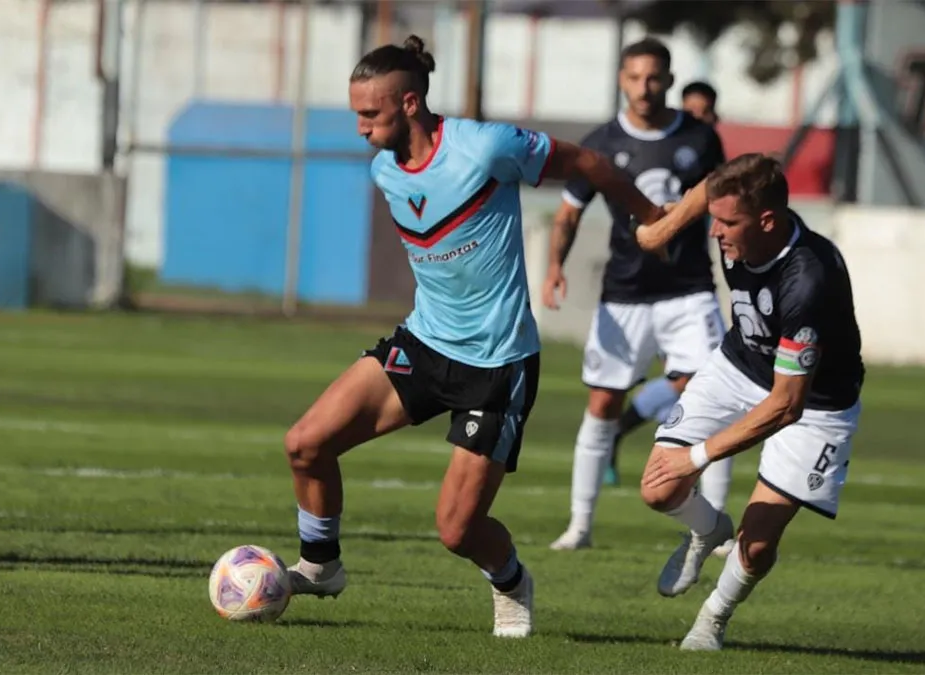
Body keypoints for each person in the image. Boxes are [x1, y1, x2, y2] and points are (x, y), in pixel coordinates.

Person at [281, 35, 666, 639]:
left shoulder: (486, 147)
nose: (359, 129)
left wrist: (651, 215)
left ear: (410, 104)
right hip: (425, 343)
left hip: (497, 363)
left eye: (369, 114)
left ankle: (511, 581)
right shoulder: (385, 167)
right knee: (305, 443)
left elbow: (588, 163)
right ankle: (321, 564)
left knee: (457, 530)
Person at [634, 153, 865, 650]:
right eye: (714, 218)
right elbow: (710, 189)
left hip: (816, 403)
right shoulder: (737, 215)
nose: (715, 232)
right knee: (657, 490)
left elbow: (787, 405)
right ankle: (706, 530)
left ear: (767, 220)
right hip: (739, 366)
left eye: (728, 222)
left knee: (757, 545)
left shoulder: (809, 280)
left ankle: (710, 622)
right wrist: (665, 228)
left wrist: (694, 459)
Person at [542, 37, 732, 554]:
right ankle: (579, 526)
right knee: (603, 403)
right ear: (621, 81)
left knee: (711, 399)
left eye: (654, 78)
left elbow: (723, 205)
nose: (644, 88)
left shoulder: (699, 137)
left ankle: (714, 529)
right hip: (624, 294)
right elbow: (569, 213)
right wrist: (555, 266)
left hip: (689, 291)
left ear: (668, 80)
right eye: (634, 78)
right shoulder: (600, 142)